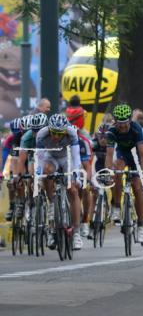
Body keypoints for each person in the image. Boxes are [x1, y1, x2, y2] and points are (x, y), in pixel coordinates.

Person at [36, 114, 83, 250]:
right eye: (53, 133)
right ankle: (51, 204)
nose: (56, 137)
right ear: (49, 129)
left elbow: (76, 157)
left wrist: (77, 176)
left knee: (73, 190)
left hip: (67, 159)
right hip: (51, 158)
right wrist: (39, 175)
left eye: (59, 134)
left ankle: (76, 233)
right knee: (46, 171)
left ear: (65, 131)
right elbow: (39, 158)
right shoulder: (41, 134)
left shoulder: (72, 133)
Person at [105, 104, 143, 243]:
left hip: (135, 155)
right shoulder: (112, 131)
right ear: (115, 122)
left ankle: (141, 225)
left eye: (125, 123)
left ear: (130, 121)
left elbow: (142, 154)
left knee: (137, 188)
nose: (122, 127)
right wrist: (108, 171)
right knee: (116, 171)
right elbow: (109, 154)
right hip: (122, 155)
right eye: (119, 124)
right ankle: (117, 206)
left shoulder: (136, 129)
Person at [66, 106, 93, 238]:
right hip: (64, 166)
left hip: (80, 165)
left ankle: (85, 221)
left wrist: (86, 180)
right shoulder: (60, 138)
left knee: (85, 188)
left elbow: (86, 165)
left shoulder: (84, 138)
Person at [15, 113, 48, 217]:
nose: (37, 133)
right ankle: (30, 201)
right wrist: (20, 177)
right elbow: (21, 160)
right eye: (34, 130)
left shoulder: (51, 135)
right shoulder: (26, 137)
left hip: (49, 155)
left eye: (39, 130)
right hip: (34, 156)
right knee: (31, 176)